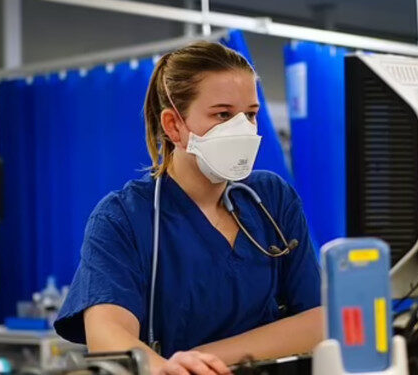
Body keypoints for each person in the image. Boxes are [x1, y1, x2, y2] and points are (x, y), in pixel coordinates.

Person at [55, 41, 322, 375]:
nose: (242, 128)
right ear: (174, 126)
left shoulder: (272, 199)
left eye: (250, 114)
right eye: (223, 114)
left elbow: (318, 321)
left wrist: (200, 358)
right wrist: (172, 370)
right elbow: (107, 336)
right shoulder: (124, 217)